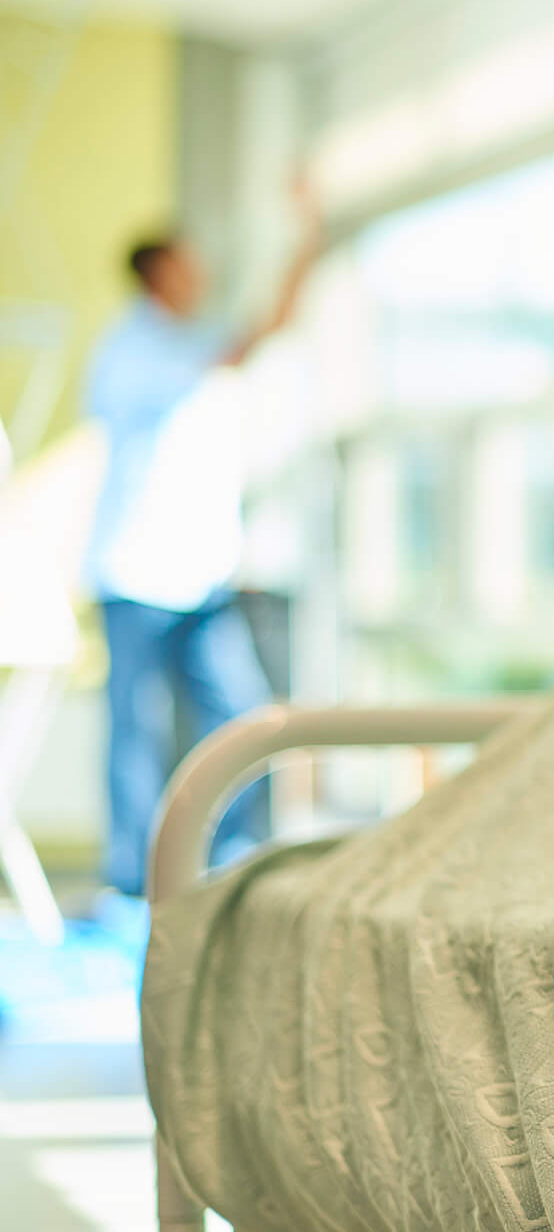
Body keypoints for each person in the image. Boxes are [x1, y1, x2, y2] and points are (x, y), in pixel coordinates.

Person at [86, 184, 322, 900]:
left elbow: (266, 328)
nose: (202, 276)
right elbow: (249, 339)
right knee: (136, 735)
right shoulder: (130, 351)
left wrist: (306, 240)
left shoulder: (189, 343)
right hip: (135, 575)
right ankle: (130, 886)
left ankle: (227, 865)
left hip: (202, 578)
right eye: (188, 265)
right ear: (156, 273)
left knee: (240, 718)